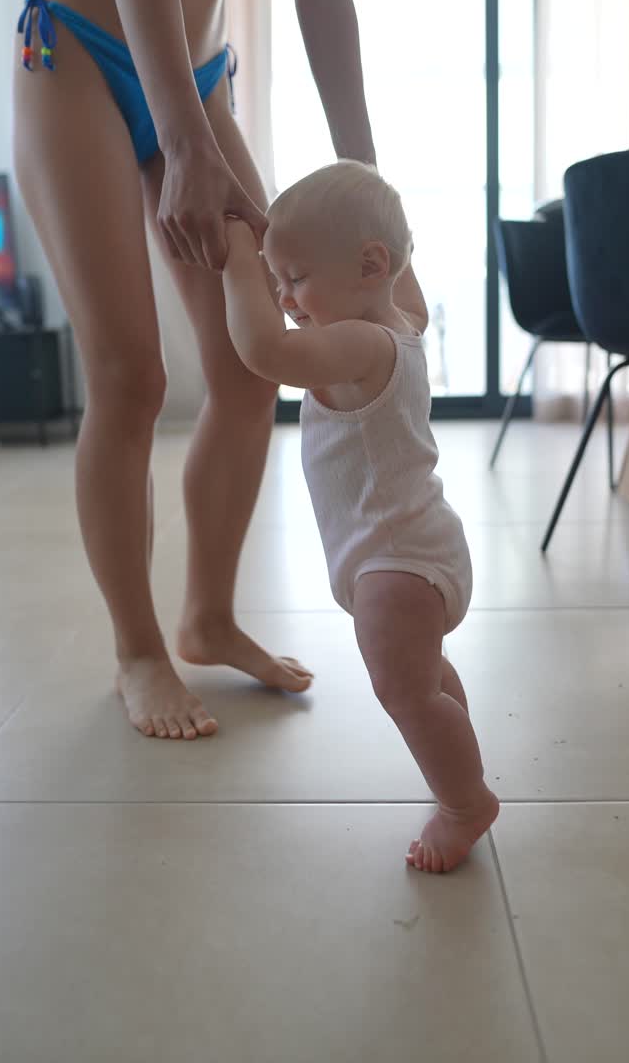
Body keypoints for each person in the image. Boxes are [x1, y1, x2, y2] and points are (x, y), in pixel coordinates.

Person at [13, 0, 425, 741]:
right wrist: (184, 144)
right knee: (131, 374)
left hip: (200, 74)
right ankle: (138, 650)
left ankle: (207, 615)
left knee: (251, 369)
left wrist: (381, 212)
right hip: (77, 47)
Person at [222, 161, 500, 872]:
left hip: (395, 562)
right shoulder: (404, 320)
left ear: (371, 266)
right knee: (424, 679)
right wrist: (299, 244)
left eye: (294, 277)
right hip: (412, 546)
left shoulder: (360, 344)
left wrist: (234, 261)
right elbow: (398, 262)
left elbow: (265, 351)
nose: (283, 297)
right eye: (276, 279)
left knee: (403, 690)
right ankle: (455, 767)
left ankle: (466, 802)